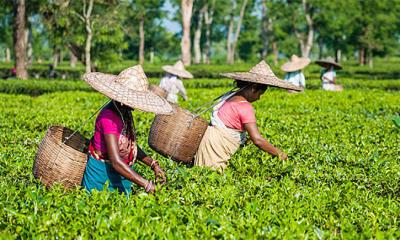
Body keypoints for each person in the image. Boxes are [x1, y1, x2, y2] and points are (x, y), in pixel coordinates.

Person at [194, 61, 303, 171]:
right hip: (216, 148)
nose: (259, 98)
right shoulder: (245, 106)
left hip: (208, 143)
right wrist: (280, 154)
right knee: (213, 177)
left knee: (203, 174)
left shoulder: (230, 96)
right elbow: (257, 140)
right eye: (259, 94)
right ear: (253, 88)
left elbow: (231, 125)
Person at [81, 65, 174, 194]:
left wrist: (153, 164)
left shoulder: (124, 112)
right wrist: (146, 184)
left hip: (123, 175)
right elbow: (116, 161)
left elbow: (131, 145)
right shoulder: (109, 117)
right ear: (123, 100)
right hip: (101, 178)